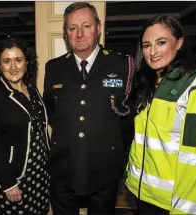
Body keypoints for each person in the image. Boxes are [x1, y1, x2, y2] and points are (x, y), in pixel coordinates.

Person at [125, 15, 196, 215]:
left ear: (179, 42)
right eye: (146, 45)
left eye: (161, 43)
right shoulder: (149, 84)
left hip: (169, 204)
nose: (152, 52)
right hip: (141, 195)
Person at [43, 2, 135, 214]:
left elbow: (128, 117)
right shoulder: (54, 67)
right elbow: (52, 112)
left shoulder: (122, 65)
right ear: (66, 33)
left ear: (99, 27)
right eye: (72, 28)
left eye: (86, 26)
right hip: (63, 168)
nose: (80, 34)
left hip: (104, 169)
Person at [0, 38, 51, 214]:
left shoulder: (32, 90)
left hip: (40, 172)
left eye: (18, 60)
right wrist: (8, 182)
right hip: (12, 174)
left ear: (26, 62)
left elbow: (40, 130)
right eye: (7, 61)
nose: (13, 67)